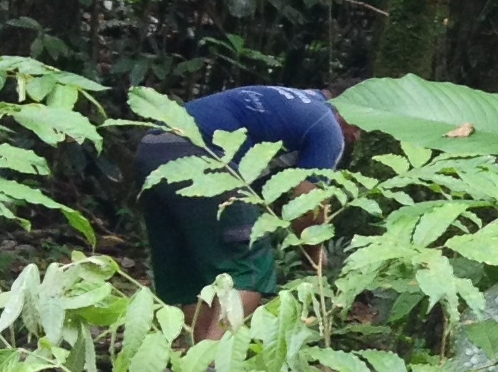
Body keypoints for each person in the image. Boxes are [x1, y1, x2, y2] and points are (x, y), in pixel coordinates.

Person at [135, 83, 353, 335]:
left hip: (152, 149)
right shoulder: (327, 125)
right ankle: (213, 369)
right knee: (247, 271)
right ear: (347, 108)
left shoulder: (291, 100)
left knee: (195, 275)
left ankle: (191, 365)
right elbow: (307, 205)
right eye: (359, 126)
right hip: (206, 157)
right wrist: (315, 254)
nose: (356, 136)